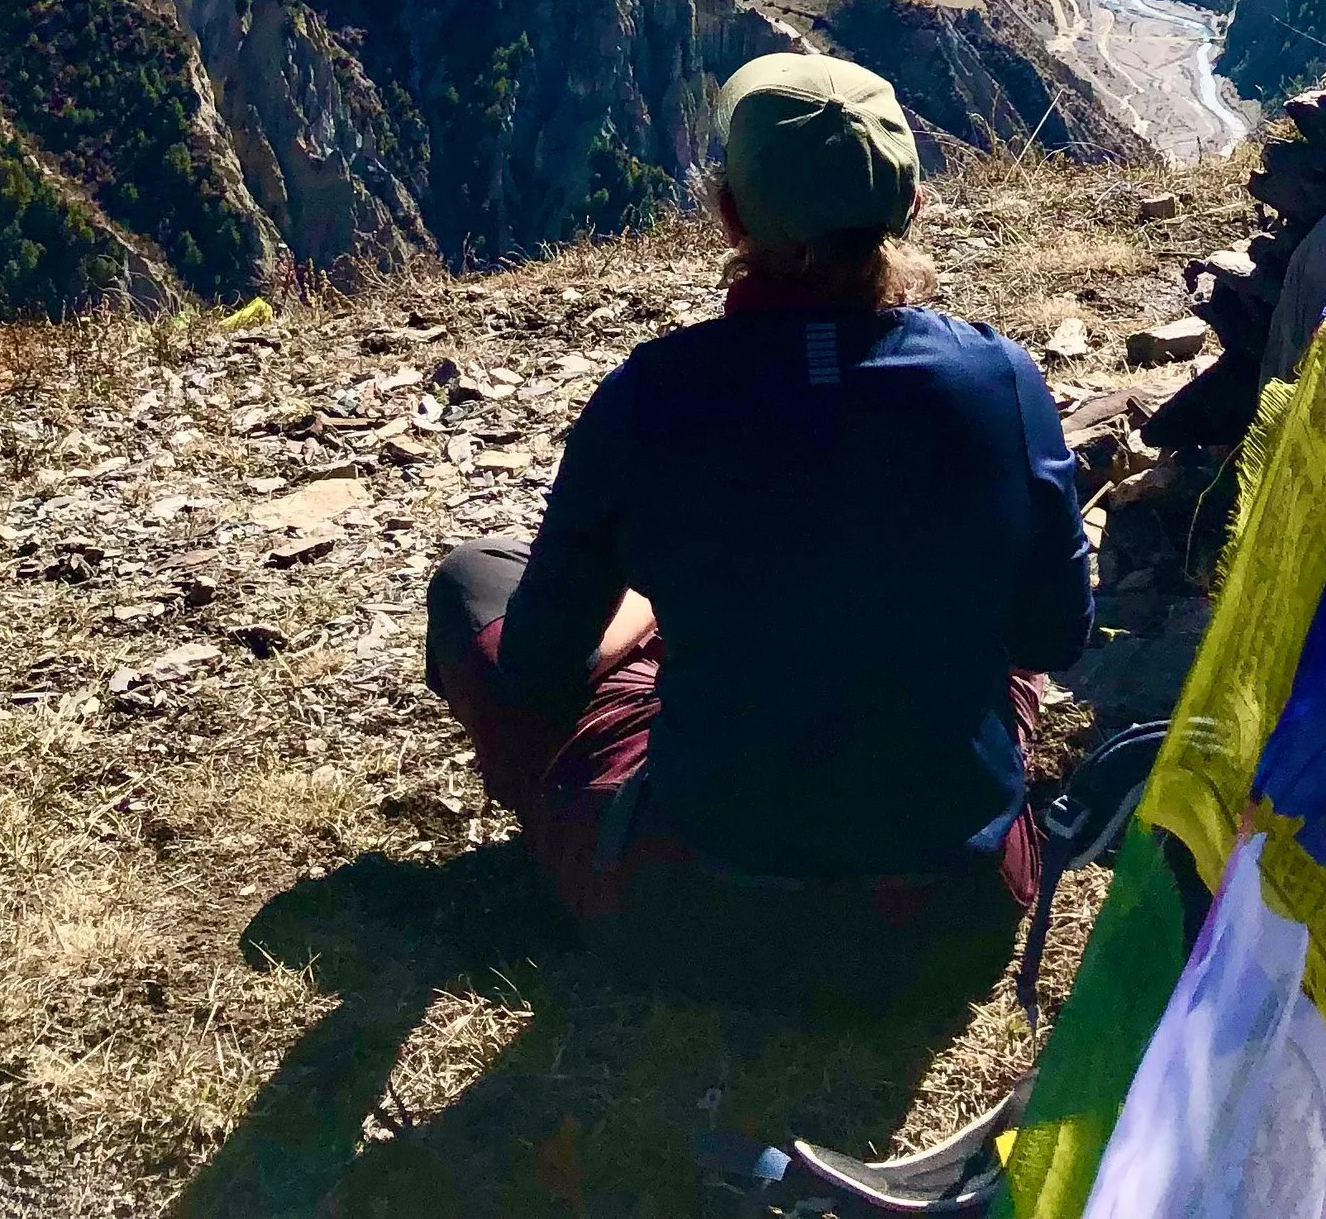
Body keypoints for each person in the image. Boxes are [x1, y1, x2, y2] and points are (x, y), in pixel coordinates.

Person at [426, 52, 1093, 935]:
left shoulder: (651, 396)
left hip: (698, 907)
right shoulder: (998, 383)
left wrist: (648, 618)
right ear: (912, 208)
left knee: (472, 582)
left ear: (731, 214)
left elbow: (537, 672)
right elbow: (1054, 633)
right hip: (950, 911)